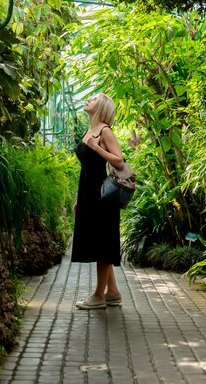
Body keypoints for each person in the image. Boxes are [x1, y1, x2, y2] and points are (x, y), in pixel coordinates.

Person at [71, 92, 124, 310]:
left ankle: (98, 296)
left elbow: (119, 160)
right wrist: (78, 199)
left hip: (101, 195)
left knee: (102, 243)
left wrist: (96, 147)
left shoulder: (104, 131)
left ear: (100, 107)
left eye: (93, 99)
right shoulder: (90, 130)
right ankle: (112, 292)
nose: (88, 100)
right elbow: (87, 169)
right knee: (98, 241)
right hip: (88, 193)